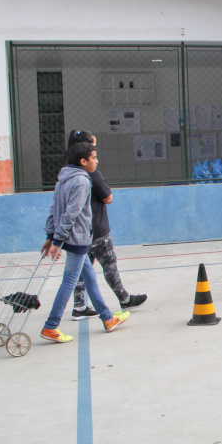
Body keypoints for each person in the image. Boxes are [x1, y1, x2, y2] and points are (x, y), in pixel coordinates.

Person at [40, 142, 129, 342]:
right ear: (83, 161)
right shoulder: (81, 181)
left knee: (89, 278)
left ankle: (107, 318)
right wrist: (56, 240)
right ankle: (51, 325)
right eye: (94, 157)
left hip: (75, 238)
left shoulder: (62, 178)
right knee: (69, 282)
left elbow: (54, 209)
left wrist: (50, 235)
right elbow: (71, 213)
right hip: (77, 239)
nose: (97, 161)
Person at [64, 130, 147, 320]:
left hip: (80, 231)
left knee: (82, 269)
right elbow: (107, 196)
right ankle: (123, 299)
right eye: (93, 149)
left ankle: (79, 306)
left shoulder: (67, 169)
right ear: (84, 153)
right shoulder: (89, 173)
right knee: (109, 264)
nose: (96, 156)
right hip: (95, 228)